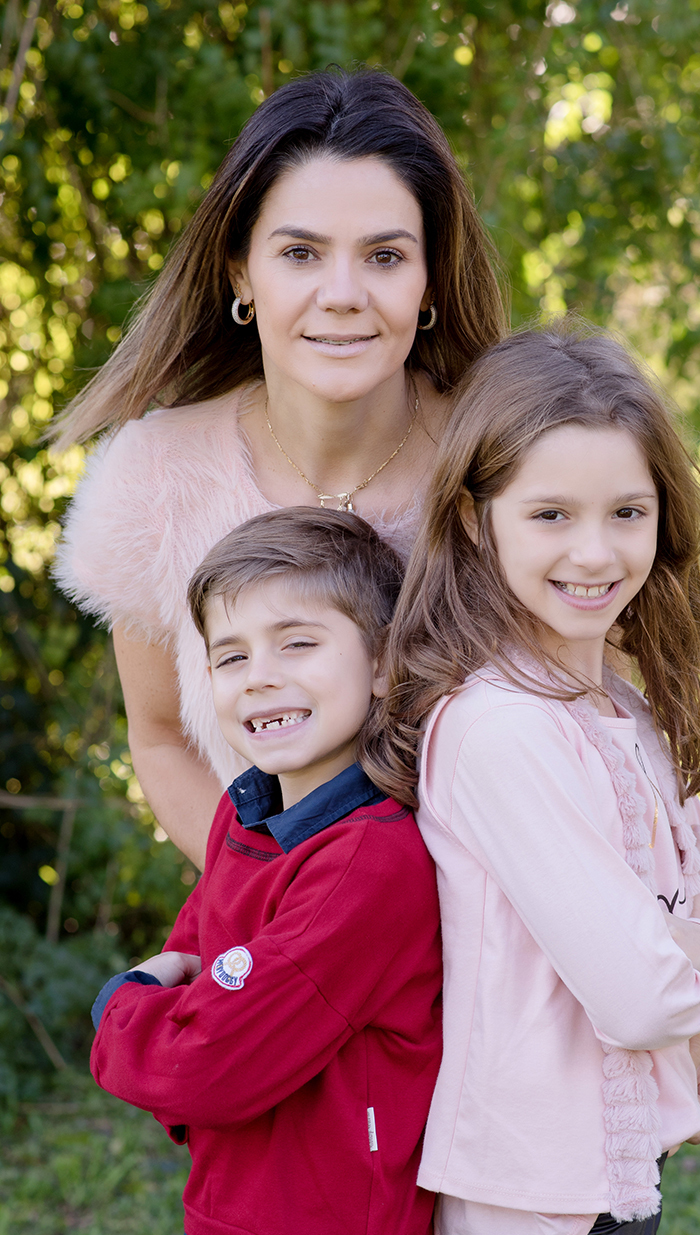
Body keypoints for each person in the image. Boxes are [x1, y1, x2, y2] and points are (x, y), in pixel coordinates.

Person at [366, 322, 700, 1235]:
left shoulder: (626, 713)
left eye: (627, 513)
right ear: (479, 521)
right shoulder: (498, 729)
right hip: (533, 1204)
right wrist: (696, 951)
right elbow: (639, 1001)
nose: (595, 555)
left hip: (619, 1176)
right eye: (551, 515)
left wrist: (682, 943)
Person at [53, 67, 507, 868]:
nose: (342, 294)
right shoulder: (156, 473)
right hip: (277, 951)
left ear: (430, 276)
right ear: (240, 274)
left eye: (384, 256)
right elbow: (160, 738)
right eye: (300, 253)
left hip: (500, 955)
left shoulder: (503, 461)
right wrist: (273, 910)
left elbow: (592, 707)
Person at [89, 507, 443, 1235]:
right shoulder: (243, 818)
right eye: (232, 657)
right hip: (228, 1213)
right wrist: (190, 1033)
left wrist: (119, 1004)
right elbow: (201, 1001)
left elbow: (204, 1062)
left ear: (382, 665)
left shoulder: (367, 862)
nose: (261, 679)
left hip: (323, 1231)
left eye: (298, 644)